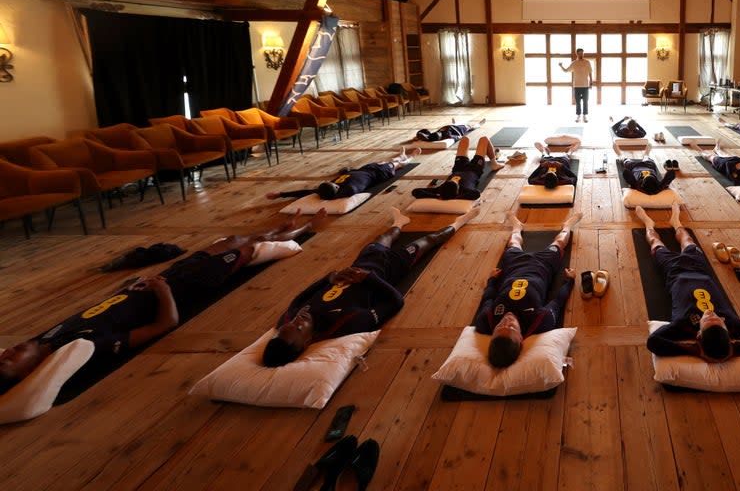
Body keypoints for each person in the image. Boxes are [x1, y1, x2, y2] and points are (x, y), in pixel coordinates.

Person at [0, 216, 319, 391]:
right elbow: (165, 324)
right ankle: (302, 229)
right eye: (10, 360)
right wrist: (162, 289)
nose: (9, 350)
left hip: (155, 282)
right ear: (28, 373)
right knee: (248, 250)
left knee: (229, 241)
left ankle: (277, 228)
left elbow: (104, 311)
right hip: (182, 287)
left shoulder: (47, 338)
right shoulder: (79, 348)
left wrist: (128, 288)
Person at [262, 209, 477, 367]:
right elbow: (395, 301)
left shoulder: (288, 319)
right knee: (429, 240)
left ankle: (400, 222)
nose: (298, 320)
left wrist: (331, 277)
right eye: (299, 328)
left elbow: (303, 296)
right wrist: (369, 278)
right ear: (306, 343)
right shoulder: (348, 323)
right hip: (388, 270)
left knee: (383, 238)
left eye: (289, 324)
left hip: (362, 261)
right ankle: (460, 221)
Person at [637, 204, 740, 361]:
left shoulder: (682, 326)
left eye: (707, 319)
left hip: (672, 271)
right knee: (687, 239)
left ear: (699, 334)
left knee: (655, 242)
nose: (710, 314)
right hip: (699, 268)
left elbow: (654, 342)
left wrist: (696, 350)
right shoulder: (735, 325)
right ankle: (676, 223)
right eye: (718, 319)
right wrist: (734, 350)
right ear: (727, 331)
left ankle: (648, 224)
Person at [474, 213, 579, 367]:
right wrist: (569, 281)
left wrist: (491, 280)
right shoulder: (539, 321)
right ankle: (568, 226)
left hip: (513, 266)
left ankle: (517, 227)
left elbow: (488, 298)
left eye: (500, 326)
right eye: (511, 327)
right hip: (542, 266)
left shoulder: (486, 320)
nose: (506, 320)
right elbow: (558, 302)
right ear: (521, 339)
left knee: (513, 244)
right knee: (560, 242)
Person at [267, 154, 409, 200]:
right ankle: (407, 157)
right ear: (336, 188)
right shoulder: (350, 189)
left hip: (363, 169)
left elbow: (306, 192)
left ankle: (401, 156)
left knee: (388, 161)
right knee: (395, 165)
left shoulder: (327, 188)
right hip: (379, 174)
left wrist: (281, 194)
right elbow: (342, 193)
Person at [412, 135, 502, 201]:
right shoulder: (465, 191)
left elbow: (415, 191)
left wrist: (437, 196)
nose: (455, 180)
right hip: (474, 169)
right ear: (458, 190)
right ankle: (494, 163)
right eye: (456, 182)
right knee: (484, 139)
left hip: (458, 168)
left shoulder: (439, 190)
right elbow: (476, 194)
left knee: (465, 139)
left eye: (451, 180)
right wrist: (456, 197)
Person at [559, 48, 593, 122]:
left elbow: (590, 72)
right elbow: (566, 70)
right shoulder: (574, 63)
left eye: (582, 53)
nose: (581, 54)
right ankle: (578, 116)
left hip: (585, 85)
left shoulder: (587, 62)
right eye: (580, 53)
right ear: (577, 54)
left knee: (585, 101)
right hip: (576, 85)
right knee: (577, 102)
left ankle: (584, 116)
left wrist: (591, 83)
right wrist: (561, 66)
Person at [407, 119, 484, 144]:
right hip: (457, 129)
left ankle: (455, 123)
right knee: (469, 127)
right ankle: (478, 125)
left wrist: (417, 138)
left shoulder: (433, 135)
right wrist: (459, 137)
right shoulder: (447, 135)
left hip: (450, 127)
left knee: (459, 125)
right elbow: (458, 137)